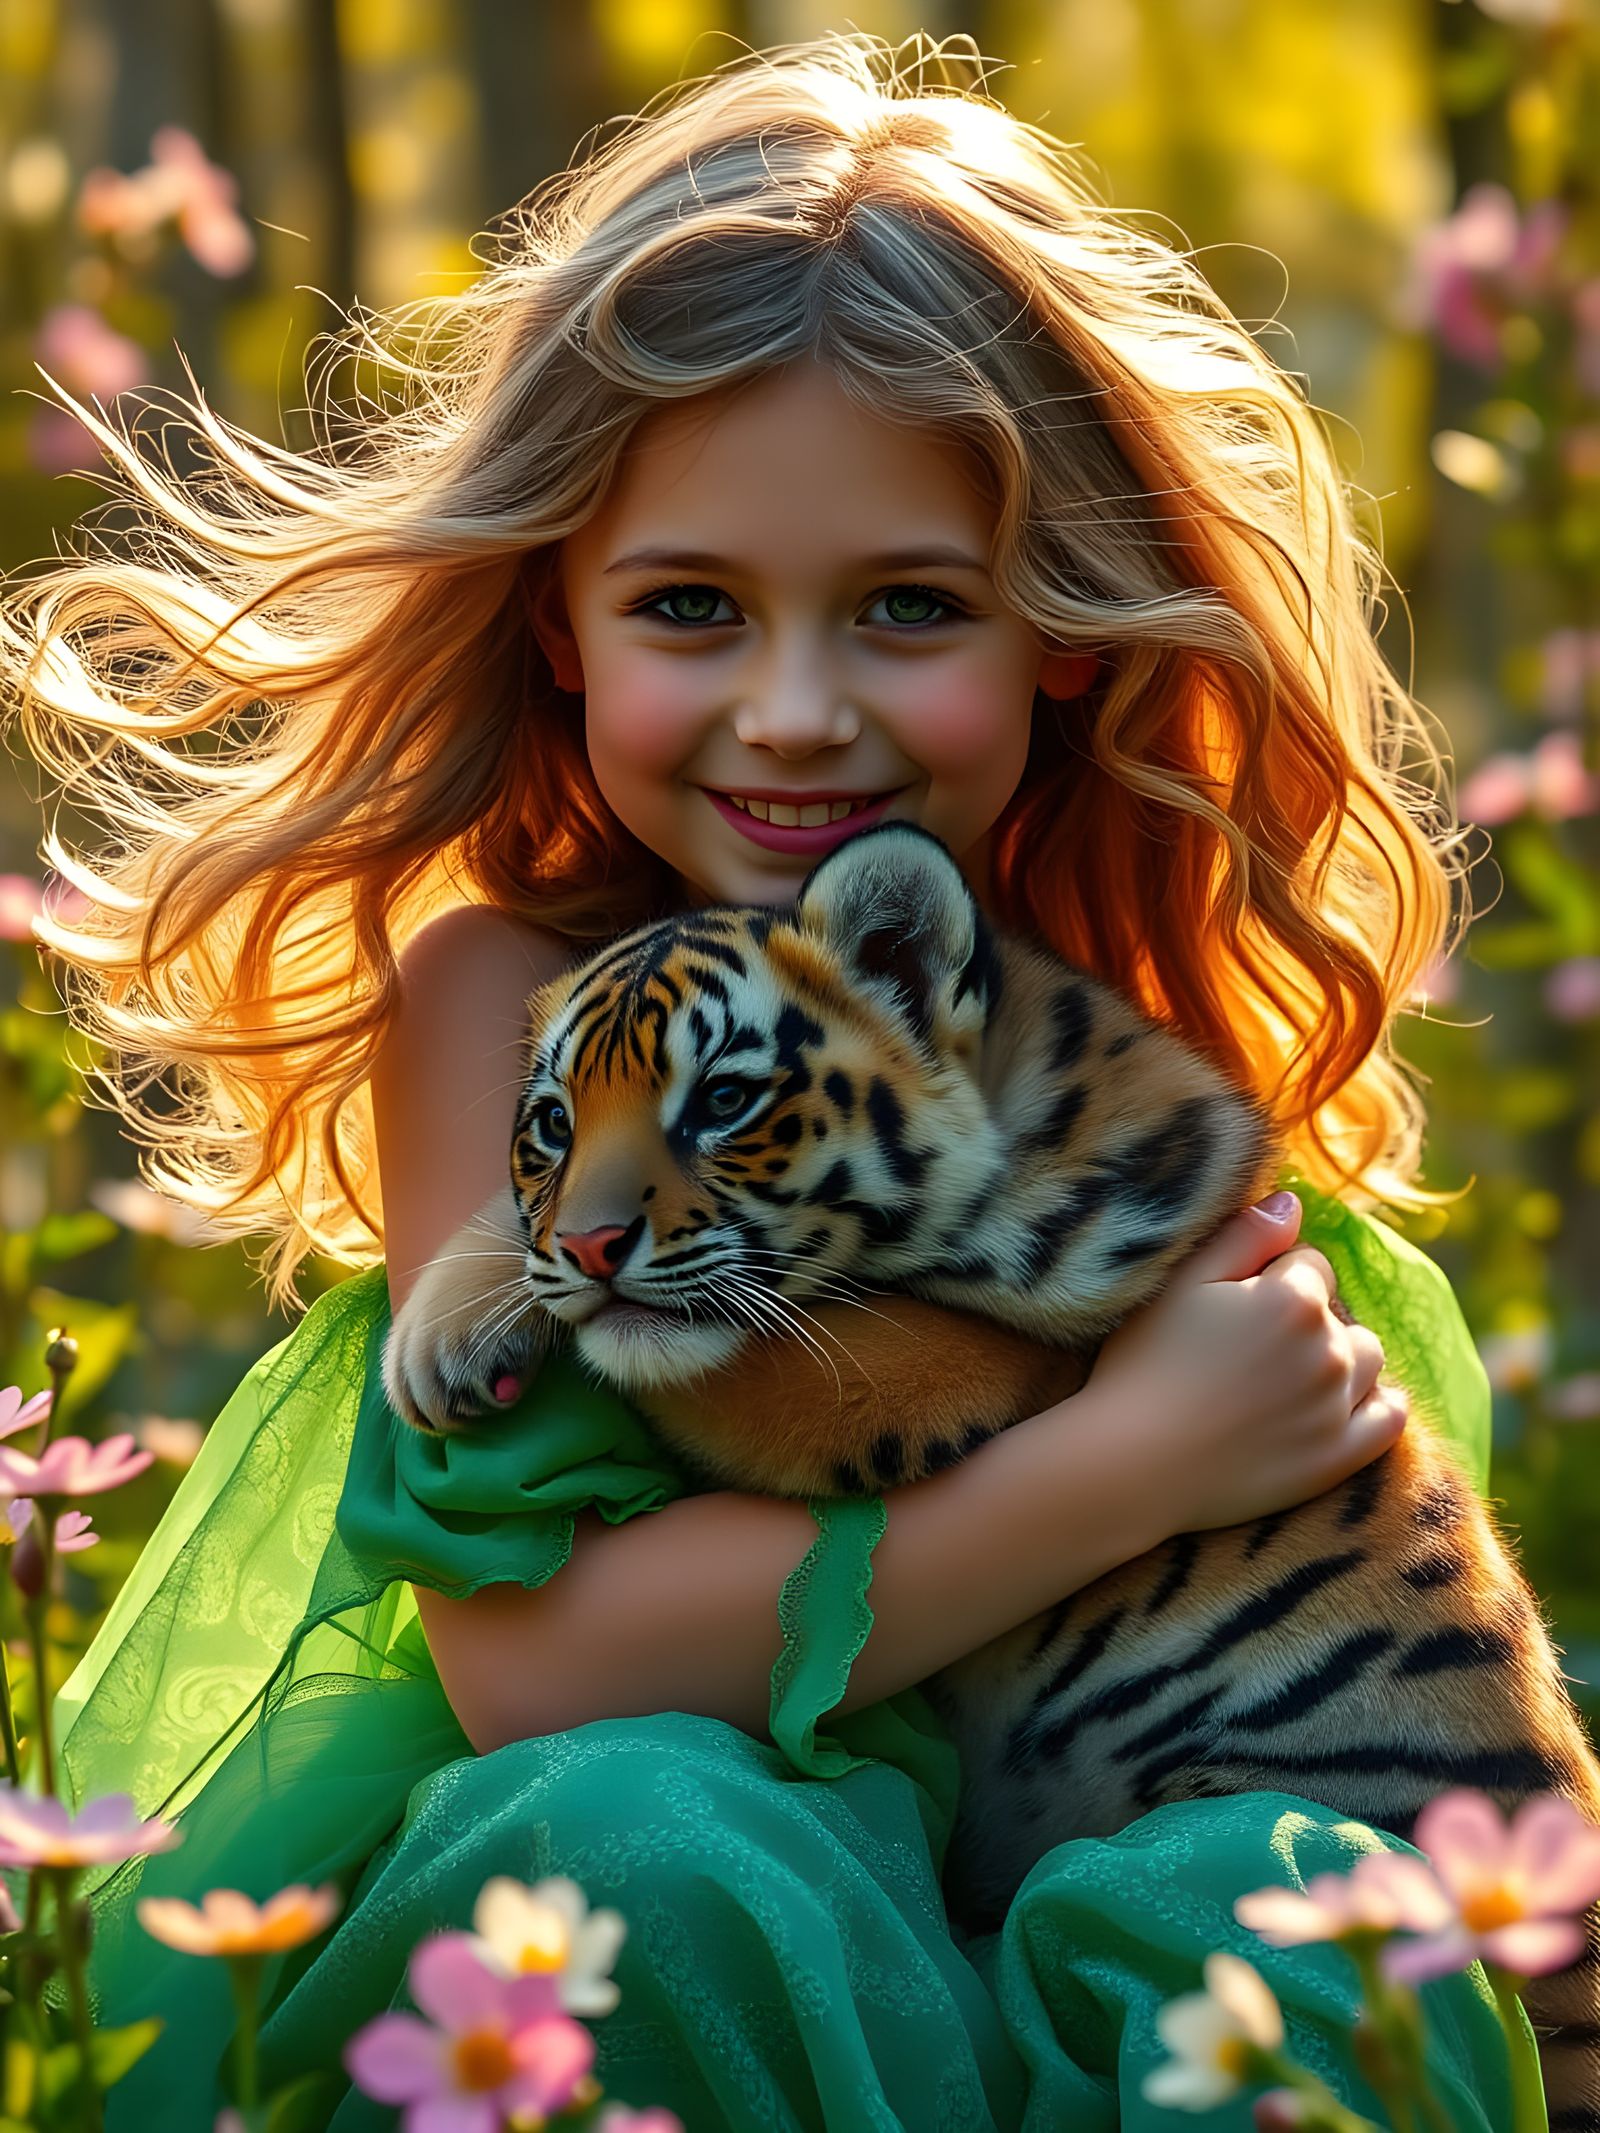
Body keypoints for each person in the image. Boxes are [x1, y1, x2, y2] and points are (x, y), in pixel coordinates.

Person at [3, 32, 1509, 2133]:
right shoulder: (510, 998)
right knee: (648, 1840)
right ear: (556, 619)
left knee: (1271, 1909)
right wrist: (1122, 1463)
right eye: (691, 607)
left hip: (1117, 1875)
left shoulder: (1112, 1016)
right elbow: (534, 1662)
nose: (792, 714)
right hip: (685, 1932)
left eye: (906, 606)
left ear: (1061, 626)